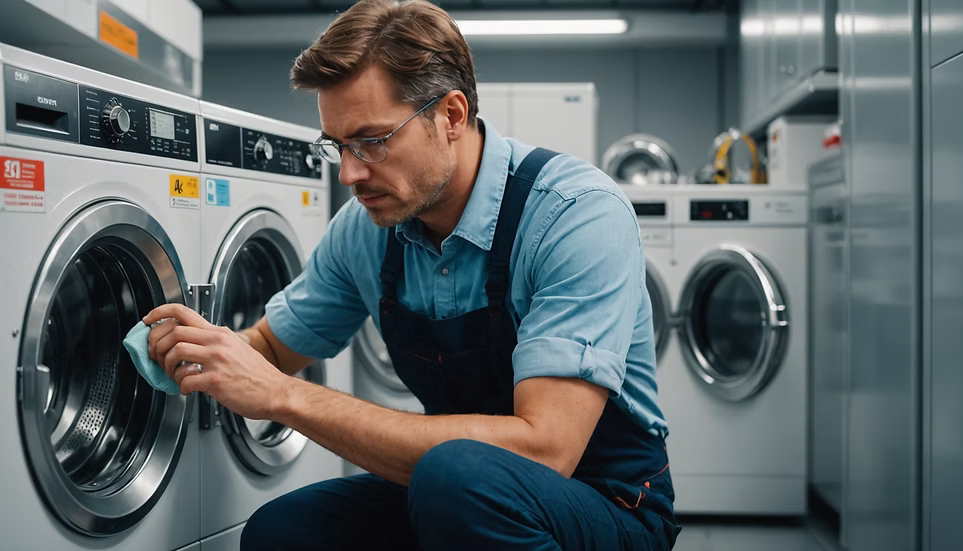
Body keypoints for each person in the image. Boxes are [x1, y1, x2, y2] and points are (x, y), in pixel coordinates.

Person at [143, 0, 679, 549]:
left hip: (607, 502)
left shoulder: (573, 214)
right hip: (454, 493)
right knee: (283, 532)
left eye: (372, 141)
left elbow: (545, 451)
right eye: (338, 146)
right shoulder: (366, 228)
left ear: (450, 115)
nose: (350, 173)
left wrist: (285, 397)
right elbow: (272, 352)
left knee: (458, 480)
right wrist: (195, 351)